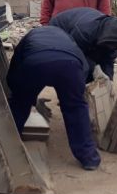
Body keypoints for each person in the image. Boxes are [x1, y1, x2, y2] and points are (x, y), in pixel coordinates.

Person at [6, 26, 101, 170]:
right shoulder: (68, 38)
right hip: (69, 65)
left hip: (35, 63)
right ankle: (89, 158)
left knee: (20, 104)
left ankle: (8, 148)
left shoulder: (30, 36)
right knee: (75, 108)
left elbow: (16, 63)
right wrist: (77, 92)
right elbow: (84, 64)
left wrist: (17, 91)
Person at [49, 7, 117, 82]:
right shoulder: (84, 32)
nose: (114, 47)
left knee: (97, 66)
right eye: (112, 45)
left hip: (86, 35)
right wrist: (94, 68)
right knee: (82, 68)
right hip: (58, 32)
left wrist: (109, 79)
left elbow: (108, 60)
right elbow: (77, 56)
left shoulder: (112, 37)